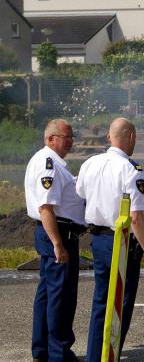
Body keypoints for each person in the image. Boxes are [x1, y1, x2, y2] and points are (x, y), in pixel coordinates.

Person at [76, 118, 144, 362]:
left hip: (98, 239)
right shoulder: (131, 170)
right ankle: (110, 356)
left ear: (110, 137)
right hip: (121, 243)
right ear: (131, 136)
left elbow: (80, 194)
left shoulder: (89, 163)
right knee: (121, 304)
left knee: (101, 301)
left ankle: (94, 356)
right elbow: (135, 217)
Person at [25, 119, 87, 362]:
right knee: (61, 297)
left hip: (58, 233)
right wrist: (58, 244)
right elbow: (46, 207)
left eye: (72, 136)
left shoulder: (53, 162)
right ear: (51, 139)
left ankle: (42, 350)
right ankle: (59, 354)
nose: (71, 141)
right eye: (66, 136)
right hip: (58, 234)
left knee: (48, 295)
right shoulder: (48, 164)